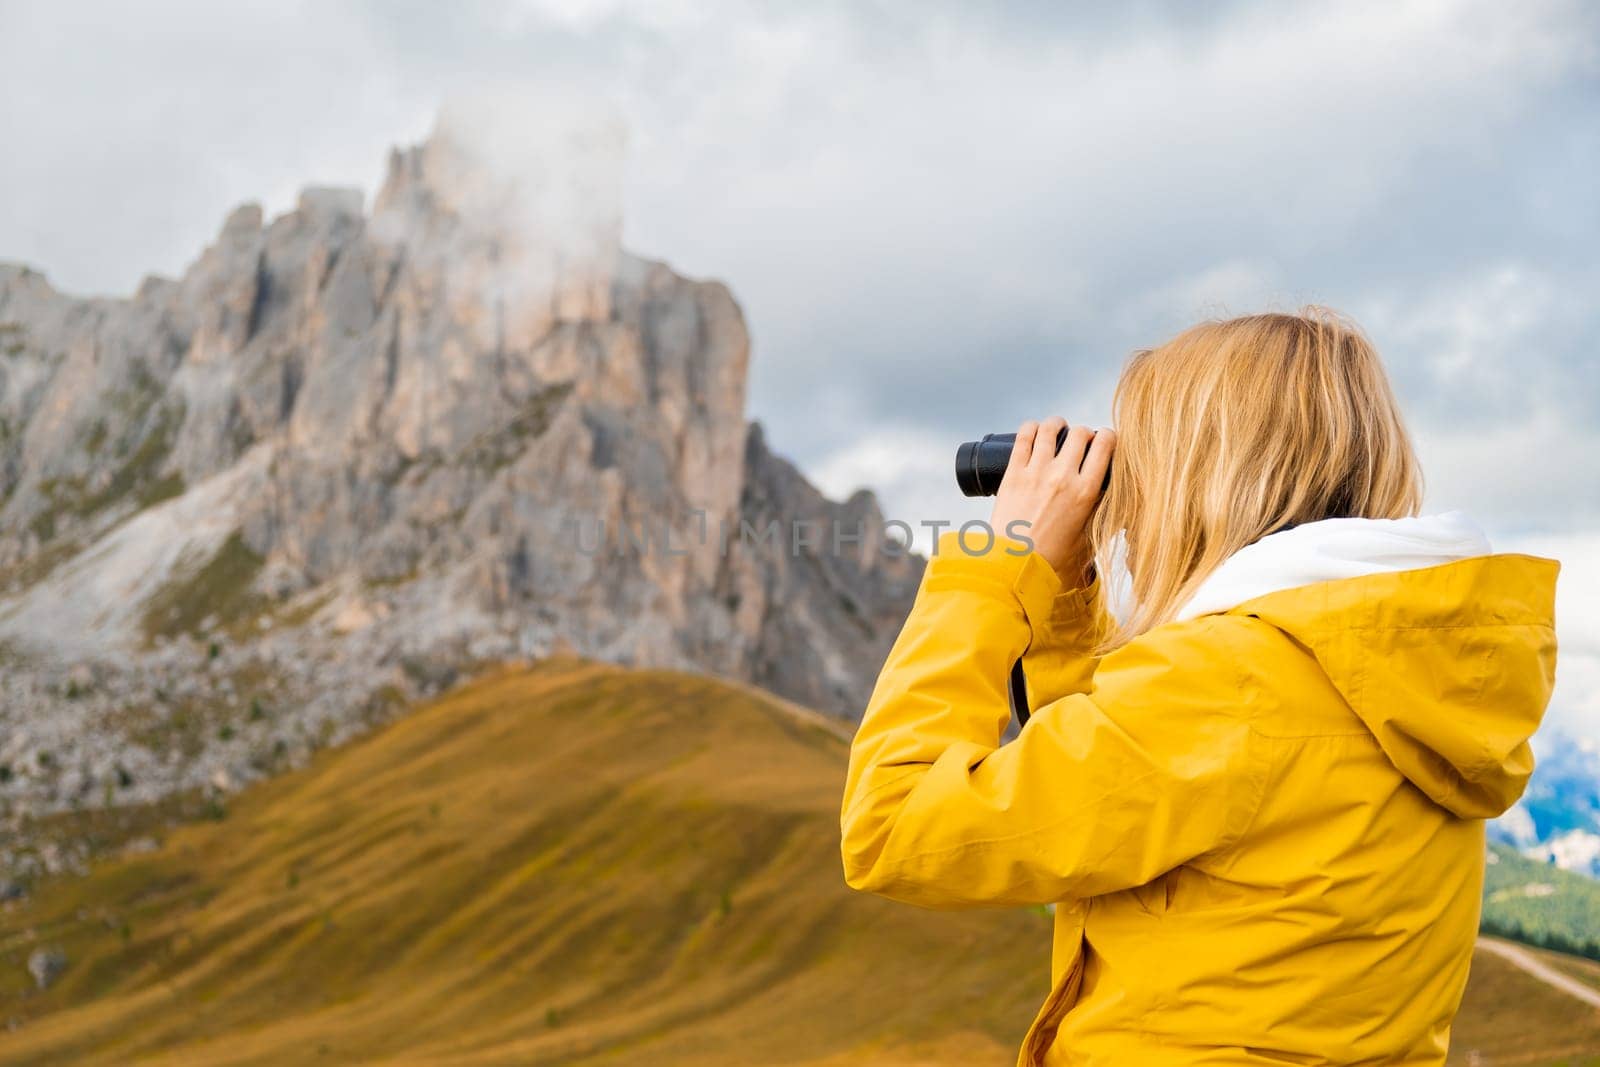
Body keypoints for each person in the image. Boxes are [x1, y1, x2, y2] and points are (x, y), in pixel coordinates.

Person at [839, 309, 1559, 1066]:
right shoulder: (1394, 665)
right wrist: (1065, 594)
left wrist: (997, 565)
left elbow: (894, 825)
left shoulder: (1229, 683)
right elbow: (1118, 793)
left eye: (1147, 457)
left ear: (1202, 476)